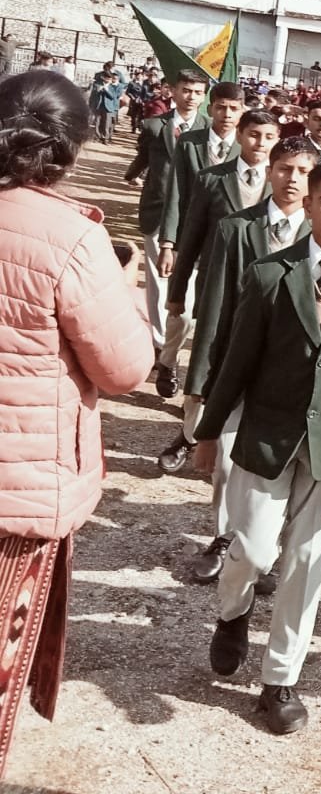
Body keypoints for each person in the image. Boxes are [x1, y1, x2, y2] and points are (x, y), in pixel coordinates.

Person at [193, 158, 321, 735]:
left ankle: (280, 680)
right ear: (307, 205)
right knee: (253, 552)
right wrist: (207, 432)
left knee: (306, 561)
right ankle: (233, 613)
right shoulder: (269, 274)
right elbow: (236, 361)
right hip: (267, 435)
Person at [0, 71, 152, 777]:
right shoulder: (73, 238)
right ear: (70, 149)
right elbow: (124, 369)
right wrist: (130, 287)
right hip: (20, 493)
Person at [179, 135, 318, 583]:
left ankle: (268, 549)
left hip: (290, 372)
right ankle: (224, 537)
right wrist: (200, 380)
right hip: (237, 363)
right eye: (284, 168)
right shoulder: (235, 229)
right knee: (225, 461)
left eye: (303, 171)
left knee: (279, 467)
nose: (292, 179)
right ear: (269, 171)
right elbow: (215, 306)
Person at [155, 108, 281, 472]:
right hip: (217, 290)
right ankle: (188, 436)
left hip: (264, 296)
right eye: (254, 134)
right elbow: (191, 237)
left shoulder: (283, 183)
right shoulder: (212, 179)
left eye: (269, 137)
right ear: (239, 135)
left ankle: (237, 450)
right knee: (206, 364)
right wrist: (177, 292)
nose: (260, 143)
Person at [155, 80, 245, 401]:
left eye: (234, 109)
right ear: (210, 108)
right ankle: (168, 361)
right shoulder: (190, 143)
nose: (227, 114)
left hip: (226, 246)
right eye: (221, 107)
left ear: (242, 111)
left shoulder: (246, 147)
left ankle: (199, 389)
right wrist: (168, 243)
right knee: (182, 312)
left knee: (214, 318)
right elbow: (176, 194)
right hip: (189, 238)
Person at [125, 69, 209, 397]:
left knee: (186, 286)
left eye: (197, 92)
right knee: (158, 282)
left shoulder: (209, 129)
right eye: (185, 90)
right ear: (172, 91)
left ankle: (170, 345)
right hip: (158, 210)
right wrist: (132, 175)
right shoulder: (153, 126)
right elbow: (144, 157)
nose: (191, 97)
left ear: (204, 96)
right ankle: (162, 349)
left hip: (194, 216)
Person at [87, 61, 126, 144]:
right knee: (97, 122)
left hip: (109, 106)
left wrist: (106, 90)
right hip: (99, 105)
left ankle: (106, 138)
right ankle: (97, 136)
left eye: (109, 78)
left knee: (107, 123)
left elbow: (113, 96)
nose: (107, 80)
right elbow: (93, 94)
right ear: (103, 77)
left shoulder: (112, 86)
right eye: (106, 78)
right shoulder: (97, 84)